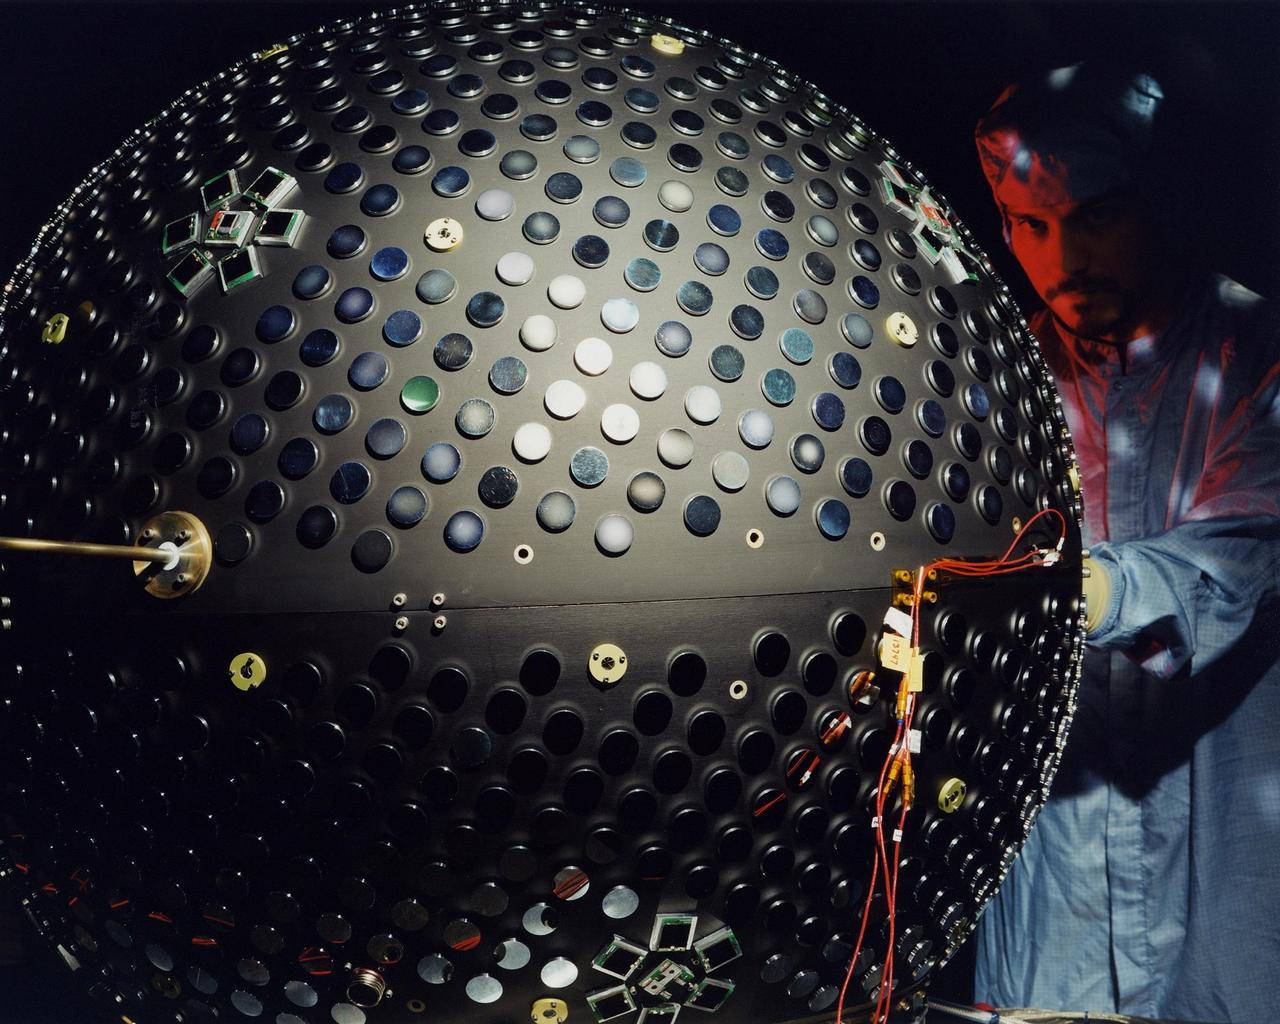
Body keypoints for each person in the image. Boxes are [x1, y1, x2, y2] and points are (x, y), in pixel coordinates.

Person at [970, 62, 1280, 1023]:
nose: (1062, 258)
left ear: (1159, 199)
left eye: (1095, 216)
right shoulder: (995, 382)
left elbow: (1236, 556)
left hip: (1222, 835)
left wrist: (1082, 592)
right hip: (1056, 854)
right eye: (1030, 226)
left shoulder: (1251, 354)